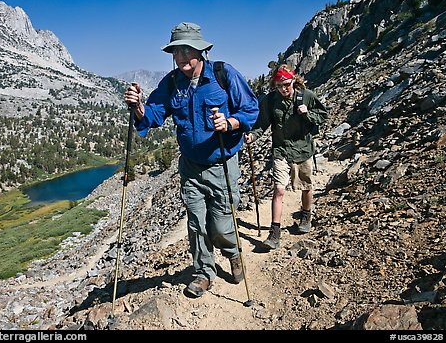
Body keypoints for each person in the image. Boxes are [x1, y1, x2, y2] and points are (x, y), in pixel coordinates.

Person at [124, 22, 259, 297]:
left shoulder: (223, 74)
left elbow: (251, 109)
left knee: (220, 225)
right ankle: (203, 272)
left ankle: (233, 252)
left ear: (201, 50)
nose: (182, 57)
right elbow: (152, 116)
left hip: (222, 163)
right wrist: (138, 106)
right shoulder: (172, 83)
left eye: (187, 49)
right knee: (196, 222)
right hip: (190, 167)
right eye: (177, 51)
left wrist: (231, 122)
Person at [244, 64, 328, 250]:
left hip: (303, 149)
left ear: (293, 81)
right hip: (281, 150)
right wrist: (253, 136)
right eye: (279, 85)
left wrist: (308, 114)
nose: (283, 89)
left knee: (306, 186)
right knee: (279, 190)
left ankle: (306, 216)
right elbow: (262, 124)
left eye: (287, 84)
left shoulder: (307, 95)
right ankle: (274, 233)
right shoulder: (270, 100)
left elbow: (323, 115)